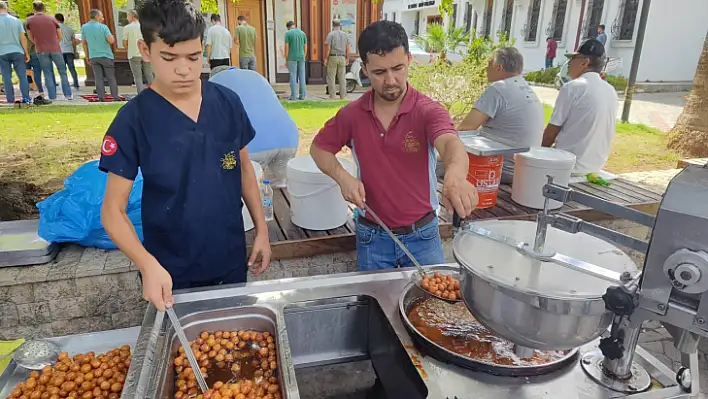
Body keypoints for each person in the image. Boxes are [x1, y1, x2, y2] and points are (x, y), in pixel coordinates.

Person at [99, 0, 271, 312]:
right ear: (146, 50)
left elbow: (245, 170)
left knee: (231, 347)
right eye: (169, 57)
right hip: (170, 272)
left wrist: (262, 229)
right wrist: (147, 265)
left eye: (193, 57)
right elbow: (112, 211)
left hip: (229, 260)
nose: (183, 69)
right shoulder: (133, 119)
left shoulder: (227, 102)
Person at [310, 20, 478, 271]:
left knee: (432, 304)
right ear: (364, 69)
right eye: (379, 72)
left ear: (409, 60)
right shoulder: (352, 115)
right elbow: (319, 149)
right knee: (374, 307)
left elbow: (450, 145)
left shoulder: (427, 111)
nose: (391, 80)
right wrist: (343, 178)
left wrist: (455, 178)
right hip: (372, 236)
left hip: (423, 235)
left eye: (398, 68)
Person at [457, 47, 544, 183]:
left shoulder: (498, 89)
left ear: (499, 68)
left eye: (489, 64)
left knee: (429, 163)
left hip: (498, 169)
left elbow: (465, 129)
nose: (485, 69)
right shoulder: (526, 88)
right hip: (524, 169)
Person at [210, 66, 298, 187]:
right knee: (276, 189)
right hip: (288, 139)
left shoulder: (214, 81)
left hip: (252, 145)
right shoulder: (256, 76)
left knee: (252, 187)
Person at [542, 39, 617, 175]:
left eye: (573, 58)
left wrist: (535, 153)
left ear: (584, 62)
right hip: (595, 165)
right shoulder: (610, 90)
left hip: (568, 165)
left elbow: (550, 133)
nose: (569, 63)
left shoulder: (572, 87)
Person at [26, 1, 72, 100]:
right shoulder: (52, 19)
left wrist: (37, 42)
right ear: (44, 8)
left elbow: (30, 36)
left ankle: (52, 96)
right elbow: (60, 35)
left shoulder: (29, 21)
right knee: (62, 72)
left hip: (41, 49)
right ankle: (68, 94)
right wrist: (55, 42)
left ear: (33, 8)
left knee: (47, 73)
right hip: (55, 48)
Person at [81, 9, 118, 101]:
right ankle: (115, 97)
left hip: (93, 56)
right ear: (97, 16)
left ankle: (101, 97)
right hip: (106, 55)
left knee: (98, 78)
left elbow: (84, 43)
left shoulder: (84, 27)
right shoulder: (103, 27)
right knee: (111, 78)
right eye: (101, 16)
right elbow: (111, 40)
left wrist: (87, 56)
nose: (103, 18)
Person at [0, 0, 31, 104]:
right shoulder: (16, 20)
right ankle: (26, 98)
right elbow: (23, 38)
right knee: (22, 76)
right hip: (17, 51)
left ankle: (10, 99)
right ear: (6, 8)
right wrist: (26, 52)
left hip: (2, 52)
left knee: (6, 77)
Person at [122, 9, 153, 93]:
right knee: (149, 74)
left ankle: (141, 95)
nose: (127, 18)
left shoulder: (127, 28)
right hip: (146, 54)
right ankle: (155, 93)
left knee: (138, 77)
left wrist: (130, 45)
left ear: (132, 17)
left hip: (133, 54)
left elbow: (124, 44)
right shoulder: (145, 27)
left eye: (127, 16)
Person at [24, 13, 52, 104]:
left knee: (26, 71)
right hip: (35, 52)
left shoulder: (22, 26)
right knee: (37, 72)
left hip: (24, 52)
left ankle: (28, 90)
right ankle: (40, 92)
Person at [324, 18, 350, 100]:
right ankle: (343, 96)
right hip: (342, 57)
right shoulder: (345, 35)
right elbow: (348, 48)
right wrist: (347, 58)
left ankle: (332, 95)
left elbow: (328, 48)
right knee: (342, 77)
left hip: (333, 57)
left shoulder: (330, 34)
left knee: (331, 77)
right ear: (340, 25)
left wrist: (326, 58)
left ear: (333, 25)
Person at [55, 13, 80, 89]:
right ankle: (76, 83)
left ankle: (65, 84)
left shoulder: (55, 29)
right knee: (72, 68)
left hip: (60, 50)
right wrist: (75, 51)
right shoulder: (70, 29)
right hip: (69, 50)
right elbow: (74, 42)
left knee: (62, 69)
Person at [284, 20, 307, 100]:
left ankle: (293, 96)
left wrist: (286, 59)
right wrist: (304, 56)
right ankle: (302, 95)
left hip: (292, 57)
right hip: (301, 57)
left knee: (293, 76)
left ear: (288, 27)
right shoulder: (302, 33)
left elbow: (287, 47)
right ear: (294, 25)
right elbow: (305, 47)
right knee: (302, 76)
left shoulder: (288, 34)